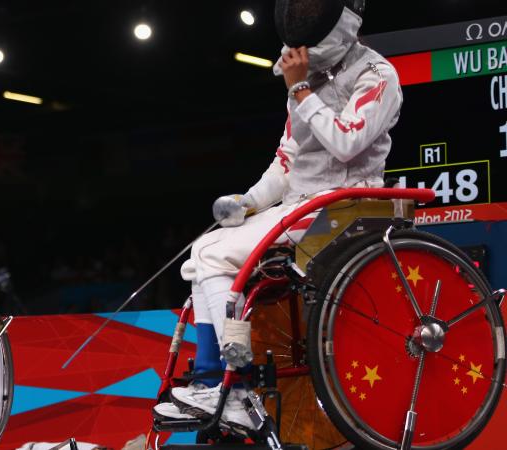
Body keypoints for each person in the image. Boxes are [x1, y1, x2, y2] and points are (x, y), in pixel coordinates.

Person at [154, 0, 402, 434]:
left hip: (346, 208)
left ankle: (233, 389)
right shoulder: (305, 81)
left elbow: (348, 142)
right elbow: (288, 162)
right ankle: (219, 381)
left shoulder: (377, 76)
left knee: (214, 257)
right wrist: (248, 201)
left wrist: (300, 91)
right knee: (205, 249)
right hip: (302, 206)